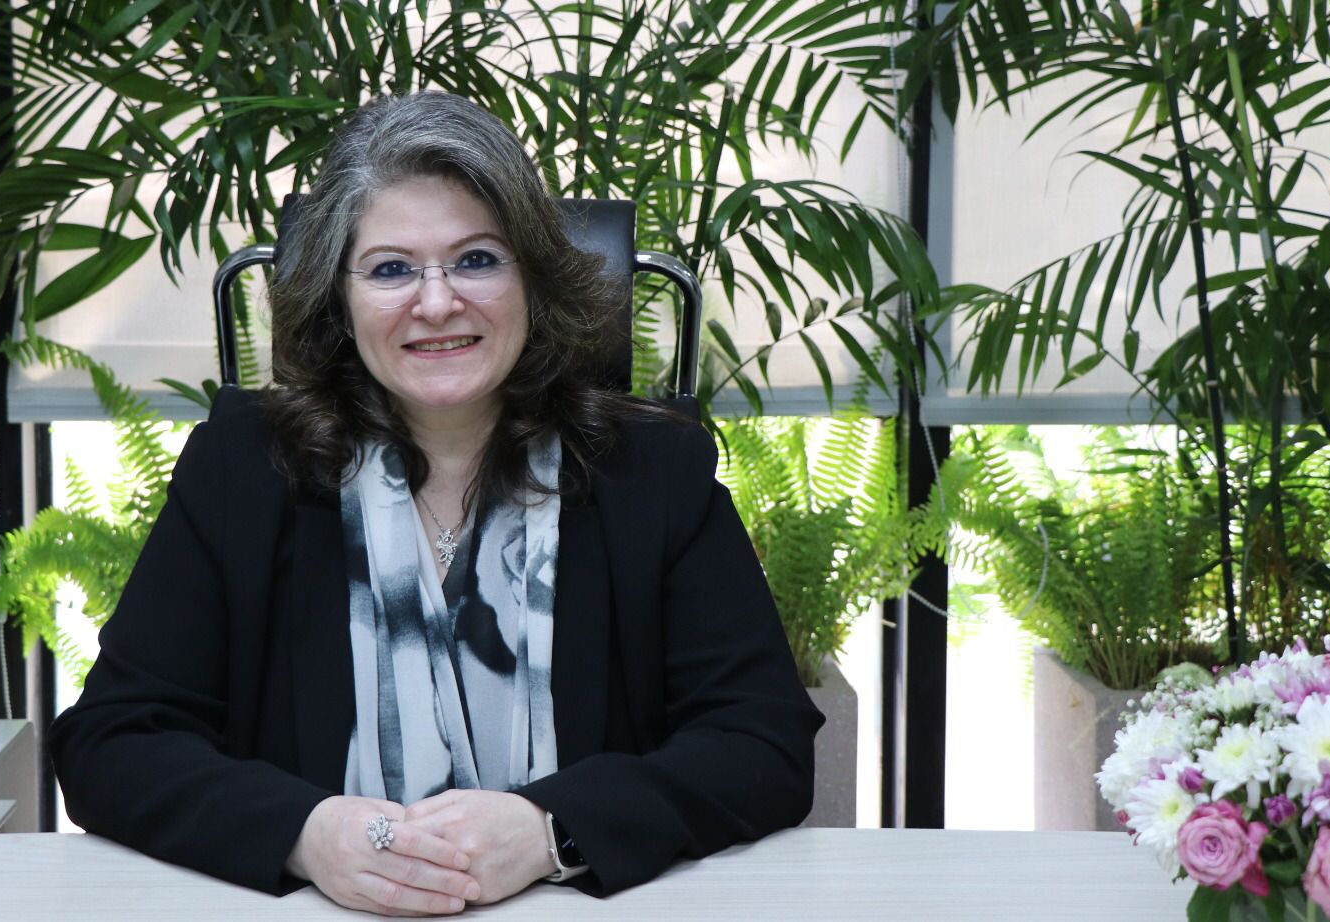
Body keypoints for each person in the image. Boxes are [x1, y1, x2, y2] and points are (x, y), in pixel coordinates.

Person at [49, 91, 822, 915]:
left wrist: (552, 831)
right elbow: (111, 741)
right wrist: (305, 833)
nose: (437, 301)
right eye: (391, 269)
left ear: (535, 278)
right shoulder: (246, 470)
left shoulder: (651, 470)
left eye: (477, 259)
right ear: (339, 300)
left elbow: (763, 744)